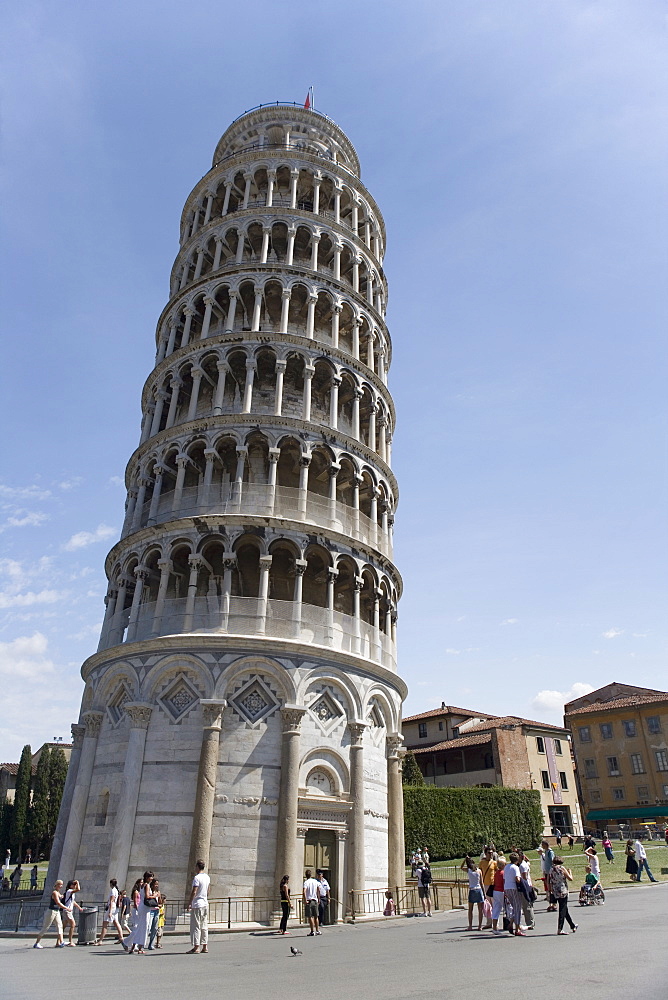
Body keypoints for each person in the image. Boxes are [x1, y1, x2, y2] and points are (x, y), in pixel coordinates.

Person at [548, 856, 577, 934]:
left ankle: (572, 925)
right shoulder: (562, 868)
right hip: (562, 890)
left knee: (564, 909)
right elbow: (570, 878)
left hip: (555, 890)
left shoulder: (551, 869)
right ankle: (560, 928)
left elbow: (549, 880)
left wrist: (550, 889)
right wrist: (570, 872)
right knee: (562, 909)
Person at [34, 879, 66, 948]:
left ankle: (61, 942)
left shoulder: (58, 892)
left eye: (62, 885)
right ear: (57, 885)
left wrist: (62, 896)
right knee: (46, 927)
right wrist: (66, 908)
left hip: (56, 911)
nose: (61, 886)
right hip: (51, 911)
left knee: (60, 926)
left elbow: (60, 896)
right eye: (60, 884)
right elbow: (58, 902)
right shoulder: (54, 892)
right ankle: (37, 943)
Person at [187, 860, 210, 953]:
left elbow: (194, 891)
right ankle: (205, 946)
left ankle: (196, 947)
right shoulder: (207, 877)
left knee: (196, 926)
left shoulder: (197, 878)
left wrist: (190, 902)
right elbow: (208, 890)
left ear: (197, 867)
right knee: (204, 925)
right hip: (205, 903)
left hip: (197, 904)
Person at [96, 878, 125, 946]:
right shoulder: (117, 890)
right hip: (115, 909)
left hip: (111, 908)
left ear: (111, 884)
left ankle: (100, 940)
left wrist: (110, 912)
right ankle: (121, 937)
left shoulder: (113, 891)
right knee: (116, 923)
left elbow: (111, 901)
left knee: (105, 924)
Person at [503, 852, 526, 936]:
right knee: (518, 908)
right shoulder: (515, 867)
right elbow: (517, 879)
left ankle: (511, 923)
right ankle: (517, 928)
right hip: (514, 888)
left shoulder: (506, 867)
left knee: (514, 907)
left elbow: (504, 878)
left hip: (507, 887)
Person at [461, 857, 484, 931]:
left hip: (472, 890)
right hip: (479, 889)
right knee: (480, 909)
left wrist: (464, 860)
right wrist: (484, 893)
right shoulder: (479, 871)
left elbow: (461, 867)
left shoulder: (469, 870)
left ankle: (470, 926)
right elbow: (482, 883)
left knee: (470, 909)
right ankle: (480, 926)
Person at [479, 847, 497, 928]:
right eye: (489, 853)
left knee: (494, 904)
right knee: (487, 904)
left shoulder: (494, 863)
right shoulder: (482, 863)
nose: (491, 854)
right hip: (485, 885)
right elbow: (479, 873)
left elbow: (497, 872)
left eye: (492, 852)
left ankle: (495, 922)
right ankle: (489, 922)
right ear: (485, 854)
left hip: (492, 885)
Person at [62, 880, 83, 947]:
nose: (74, 886)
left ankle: (59, 940)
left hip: (67, 910)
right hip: (67, 911)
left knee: (63, 926)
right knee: (73, 925)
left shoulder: (71, 893)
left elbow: (73, 902)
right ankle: (70, 941)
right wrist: (78, 882)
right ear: (70, 885)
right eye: (73, 885)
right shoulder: (69, 891)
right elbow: (78, 889)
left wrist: (79, 907)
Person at [517, 850, 535, 930]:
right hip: (527, 885)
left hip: (525, 886)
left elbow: (524, 877)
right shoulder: (522, 864)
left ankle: (530, 923)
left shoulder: (522, 866)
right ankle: (530, 922)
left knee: (526, 905)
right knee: (526, 905)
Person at [538, 840, 556, 910]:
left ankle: (553, 904)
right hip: (547, 872)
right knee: (548, 888)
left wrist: (552, 871)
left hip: (550, 872)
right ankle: (550, 903)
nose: (542, 846)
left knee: (551, 888)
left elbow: (552, 862)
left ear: (545, 845)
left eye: (542, 845)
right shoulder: (546, 852)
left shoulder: (550, 852)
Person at [303, 868, 321, 936]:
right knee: (316, 916)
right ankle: (317, 930)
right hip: (315, 900)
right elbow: (318, 889)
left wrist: (305, 900)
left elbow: (304, 891)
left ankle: (312, 931)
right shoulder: (315, 881)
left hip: (309, 901)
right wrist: (318, 898)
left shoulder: (306, 882)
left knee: (310, 916)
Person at [491, 857, 506, 933]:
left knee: (496, 908)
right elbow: (504, 883)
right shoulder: (503, 873)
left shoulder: (496, 873)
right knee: (508, 907)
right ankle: (512, 924)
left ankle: (494, 927)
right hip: (501, 891)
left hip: (495, 891)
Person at [147, 878, 161, 949]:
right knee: (148, 927)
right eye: (155, 884)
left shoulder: (158, 892)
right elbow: (148, 899)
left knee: (155, 928)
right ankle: (141, 943)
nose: (156, 886)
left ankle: (151, 944)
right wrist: (154, 895)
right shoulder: (149, 891)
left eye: (157, 884)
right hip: (150, 910)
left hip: (156, 910)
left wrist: (159, 896)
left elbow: (160, 902)